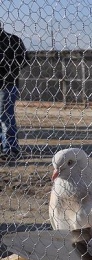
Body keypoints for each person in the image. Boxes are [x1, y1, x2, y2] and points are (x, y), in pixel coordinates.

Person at [0, 22, 28, 160]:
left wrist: (5, 65)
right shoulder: (13, 40)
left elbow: (24, 61)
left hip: (7, 85)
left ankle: (11, 149)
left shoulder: (13, 40)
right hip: (7, 83)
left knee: (6, 116)